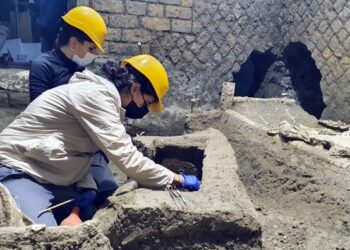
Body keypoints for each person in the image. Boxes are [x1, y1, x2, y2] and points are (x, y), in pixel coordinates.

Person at [0, 54, 201, 227]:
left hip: (46, 172)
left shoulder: (104, 101)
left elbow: (79, 151)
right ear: (135, 89)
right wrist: (177, 179)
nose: (145, 110)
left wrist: (83, 196)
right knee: (45, 238)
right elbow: (128, 159)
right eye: (147, 102)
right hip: (18, 170)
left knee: (93, 216)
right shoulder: (97, 98)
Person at [29, 6, 115, 210]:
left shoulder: (81, 70)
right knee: (81, 208)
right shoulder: (43, 66)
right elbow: (42, 120)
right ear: (74, 42)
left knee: (108, 192)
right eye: (91, 48)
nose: (93, 54)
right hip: (57, 149)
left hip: (86, 148)